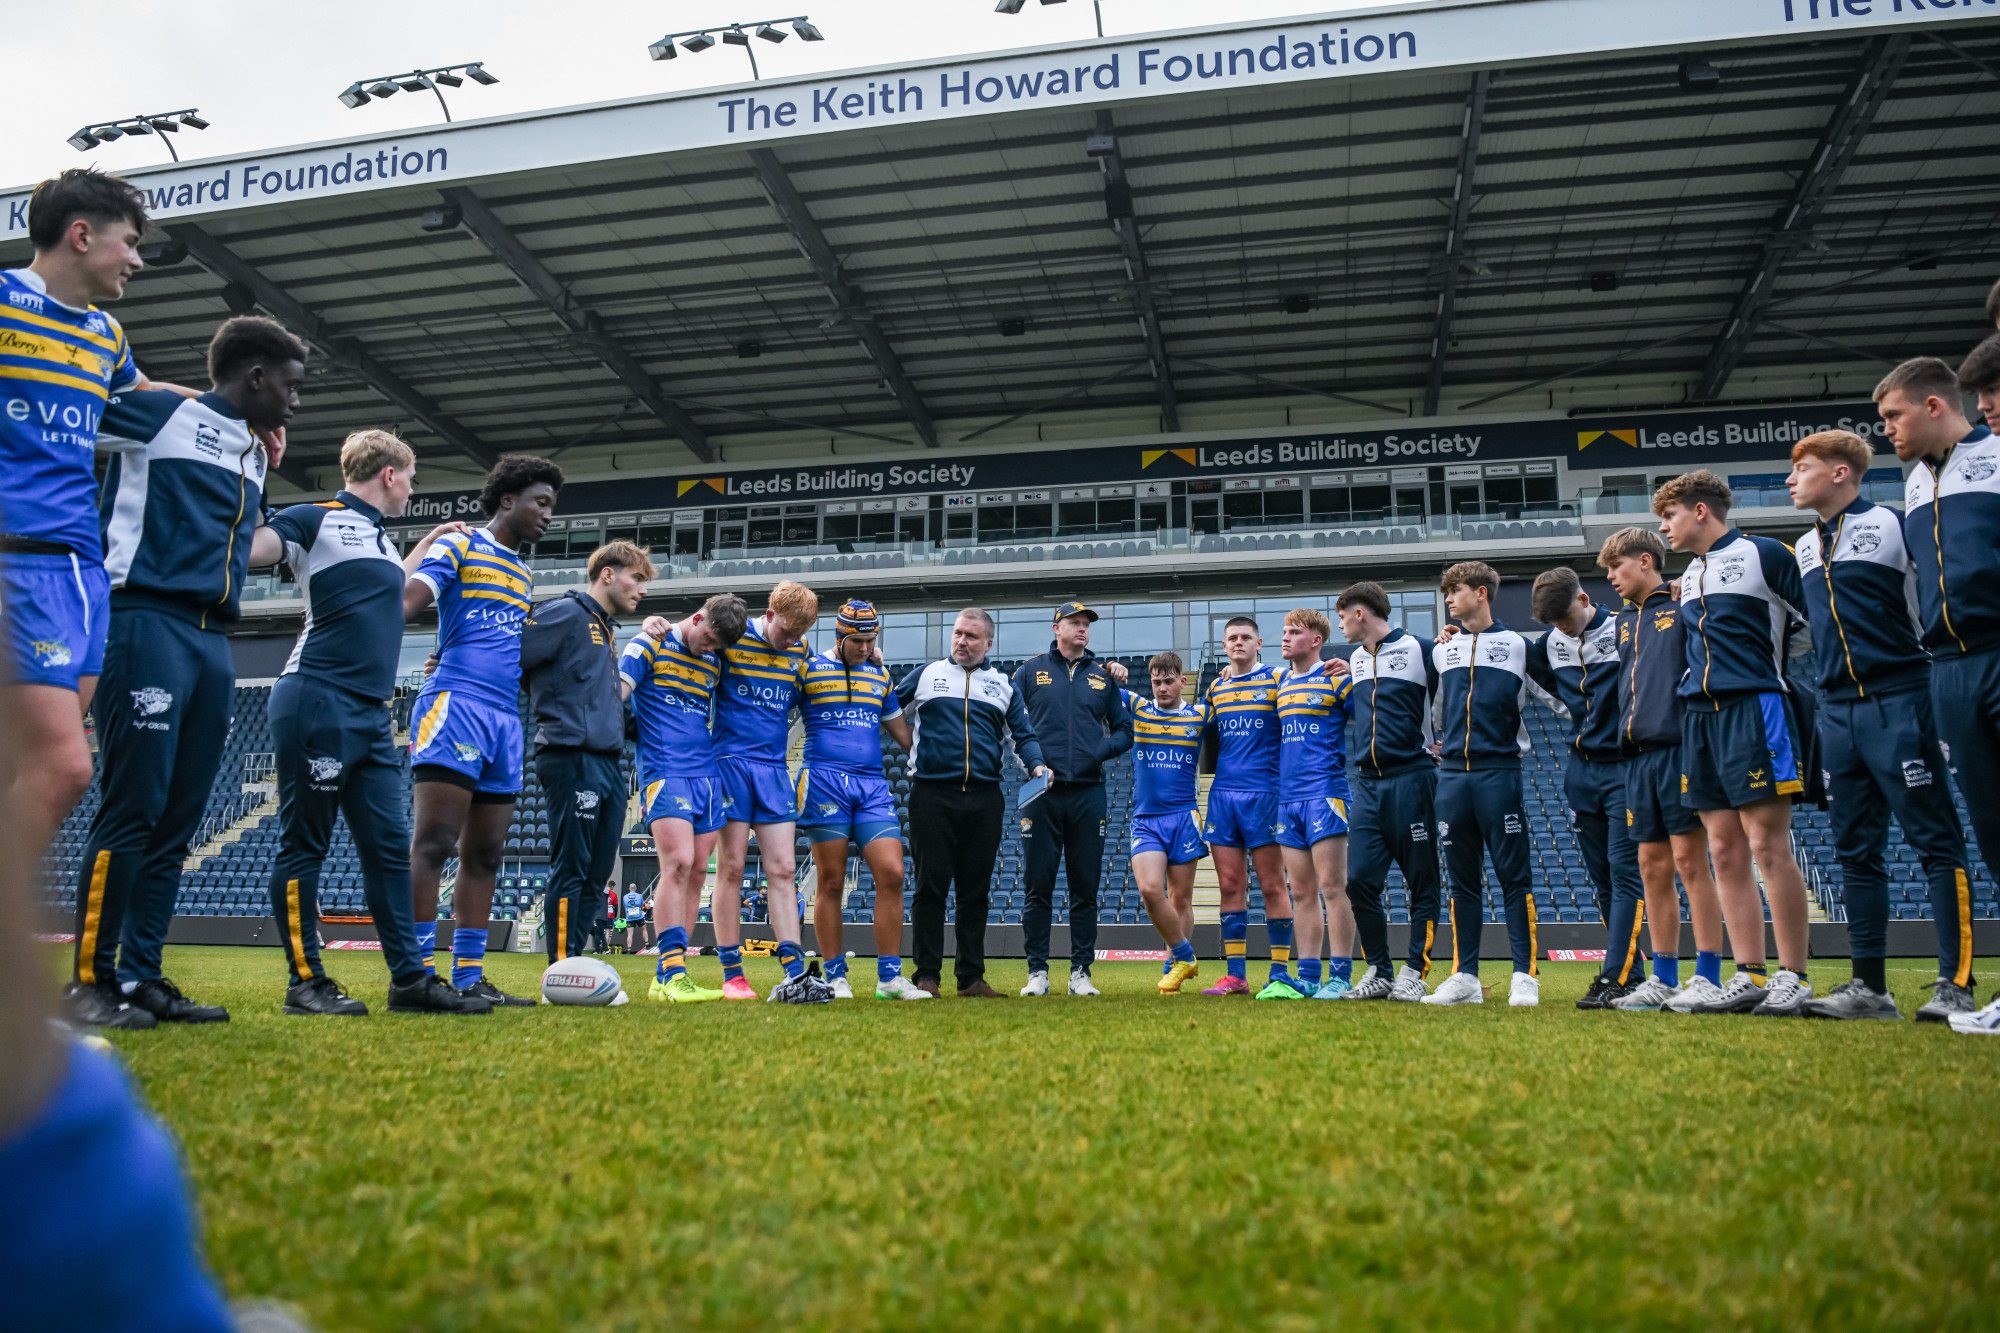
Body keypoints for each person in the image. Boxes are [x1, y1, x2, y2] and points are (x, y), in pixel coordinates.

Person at [65, 316, 305, 1028]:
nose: (296, 403)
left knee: (177, 818)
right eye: (290, 388)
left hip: (212, 641)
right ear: (255, 376)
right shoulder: (166, 415)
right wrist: (164, 387)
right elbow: (70, 412)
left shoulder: (257, 454)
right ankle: (89, 981)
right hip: (145, 621)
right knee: (132, 807)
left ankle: (141, 976)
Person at [1, 171, 195, 925]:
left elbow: (141, 394)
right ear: (82, 235)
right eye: (131, 242)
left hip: (81, 574)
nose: (136, 261)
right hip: (15, 560)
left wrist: (238, 412)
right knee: (63, 766)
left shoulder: (104, 336)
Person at [261, 429, 488, 1016]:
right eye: (411, 478)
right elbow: (261, 546)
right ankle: (304, 981)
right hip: (316, 697)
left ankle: (410, 981)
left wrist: (431, 540)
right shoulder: (314, 518)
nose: (413, 489)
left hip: (369, 714)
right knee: (304, 842)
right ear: (390, 474)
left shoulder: (383, 544)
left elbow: (389, 588)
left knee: (390, 849)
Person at [1781, 429, 1975, 1021]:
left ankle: (1957, 983)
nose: (1791, 479)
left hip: (1902, 696)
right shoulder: (1803, 547)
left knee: (1935, 841)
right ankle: (1869, 987)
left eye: (1802, 468)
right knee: (1854, 852)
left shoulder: (1895, 524)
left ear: (1841, 472)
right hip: (1837, 711)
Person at [1655, 469, 1815, 1015]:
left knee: (1767, 844)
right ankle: (1748, 973)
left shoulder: (1766, 554)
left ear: (1701, 511)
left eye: (1670, 515)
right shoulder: (1690, 577)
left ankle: (1794, 973)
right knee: (1723, 849)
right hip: (1699, 718)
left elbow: (1816, 617)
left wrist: (1772, 666)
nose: (1664, 527)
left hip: (1754, 708)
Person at [405, 454, 563, 1007]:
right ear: (506, 500)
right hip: (456, 704)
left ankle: (469, 977)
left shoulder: (523, 573)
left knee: (488, 853)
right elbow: (404, 604)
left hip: (503, 720)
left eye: (551, 506)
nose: (548, 515)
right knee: (433, 845)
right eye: (540, 503)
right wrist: (424, 544)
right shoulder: (461, 545)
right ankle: (417, 976)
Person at [1593, 529, 1730, 1014]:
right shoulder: (1622, 621)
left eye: (1617, 568)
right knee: (1651, 868)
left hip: (1678, 750)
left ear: (1647, 561)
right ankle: (1664, 977)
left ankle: (1709, 975)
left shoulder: (1681, 605)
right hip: (1635, 757)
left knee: (1691, 864)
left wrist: (1681, 590)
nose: (1611, 578)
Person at [893, 608, 1048, 998]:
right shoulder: (927, 675)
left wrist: (1036, 764)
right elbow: (887, 706)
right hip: (931, 795)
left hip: (984, 798)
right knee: (930, 888)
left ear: (988, 644)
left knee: (975, 892)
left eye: (971, 637)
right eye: (958, 634)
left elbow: (1023, 736)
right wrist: (912, 747)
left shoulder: (1003, 686)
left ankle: (971, 979)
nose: (962, 641)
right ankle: (926, 975)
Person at [1424, 561, 1553, 1008]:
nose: (1448, 599)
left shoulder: (1518, 645)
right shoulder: (1444, 651)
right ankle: (1465, 977)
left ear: (1481, 593)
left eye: (1454, 591)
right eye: (1445, 593)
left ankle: (1525, 975)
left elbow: (1561, 697)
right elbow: (1433, 710)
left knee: (1514, 878)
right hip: (1453, 777)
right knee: (1461, 883)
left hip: (1500, 773)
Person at [1523, 567, 1649, 1009]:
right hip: (1581, 770)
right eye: (1552, 624)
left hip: (1625, 768)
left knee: (1624, 872)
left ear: (1583, 599)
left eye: (1565, 619)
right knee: (1601, 880)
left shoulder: (1624, 629)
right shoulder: (1549, 644)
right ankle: (1631, 978)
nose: (1561, 629)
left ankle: (1615, 975)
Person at [521, 540, 650, 966]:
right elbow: (509, 653)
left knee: (596, 875)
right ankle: (559, 966)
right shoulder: (565, 612)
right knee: (572, 867)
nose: (643, 590)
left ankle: (575, 961)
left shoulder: (605, 628)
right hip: (571, 755)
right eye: (637, 578)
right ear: (608, 574)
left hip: (609, 763)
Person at [620, 593, 749, 1003]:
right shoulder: (649, 644)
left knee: (697, 872)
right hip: (664, 769)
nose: (710, 649)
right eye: (708, 639)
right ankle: (671, 970)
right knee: (676, 863)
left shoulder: (715, 659)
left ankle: (670, 975)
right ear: (697, 618)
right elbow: (614, 696)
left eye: (717, 646)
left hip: (708, 777)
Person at [705, 580, 828, 1002]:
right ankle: (732, 973)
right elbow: (690, 637)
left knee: (784, 870)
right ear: (769, 614)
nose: (792, 641)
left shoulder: (801, 649)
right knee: (732, 868)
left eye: (800, 634)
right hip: (731, 766)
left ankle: (795, 971)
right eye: (787, 632)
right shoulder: (733, 639)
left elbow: (821, 677)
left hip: (774, 771)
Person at [799, 600, 927, 999]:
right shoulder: (810, 669)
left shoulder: (880, 675)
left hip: (872, 786)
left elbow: (905, 737)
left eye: (872, 640)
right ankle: (835, 975)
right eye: (858, 641)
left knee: (892, 873)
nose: (866, 648)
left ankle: (889, 978)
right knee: (831, 880)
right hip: (825, 782)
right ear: (839, 636)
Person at [1013, 601, 1134, 998]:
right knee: (1038, 886)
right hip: (1041, 794)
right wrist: (1033, 764)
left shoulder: (1103, 677)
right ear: (1056, 628)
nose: (1082, 629)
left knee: (1085, 886)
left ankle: (1080, 971)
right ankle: (1037, 972)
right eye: (1074, 623)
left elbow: (1124, 731)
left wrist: (1097, 752)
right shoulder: (1029, 672)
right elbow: (1012, 725)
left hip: (1088, 793)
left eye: (1086, 624)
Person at [1336, 582, 1443, 1002]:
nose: (1339, 624)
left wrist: (1447, 739)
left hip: (1413, 778)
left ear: (1360, 613)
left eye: (1342, 616)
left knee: (1422, 880)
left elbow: (1458, 688)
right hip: (1367, 784)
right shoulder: (1357, 658)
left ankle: (1415, 969)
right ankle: (1379, 969)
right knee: (1359, 879)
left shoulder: (1422, 649)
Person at [1199, 616, 1297, 998]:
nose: (1238, 643)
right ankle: (1235, 975)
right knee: (1229, 886)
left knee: (1273, 886)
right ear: (1224, 647)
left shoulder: (1277, 678)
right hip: (1223, 796)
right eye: (1232, 638)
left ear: (1259, 643)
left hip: (1266, 795)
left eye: (1245, 637)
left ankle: (1279, 973)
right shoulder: (1217, 687)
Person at [1273, 608, 1358, 1000]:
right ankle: (1308, 977)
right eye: (1285, 631)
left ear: (1317, 640)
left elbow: (1375, 717)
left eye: (1295, 632)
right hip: (1287, 800)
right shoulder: (1281, 684)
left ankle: (1340, 974)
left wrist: (1356, 675)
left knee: (1331, 887)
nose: (1286, 637)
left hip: (1325, 795)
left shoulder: (1338, 681)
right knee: (1301, 892)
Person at [1121, 651, 1209, 993]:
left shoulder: (1200, 714)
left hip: (1184, 817)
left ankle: (1174, 966)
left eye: (1168, 681)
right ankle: (1185, 955)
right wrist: (1109, 669)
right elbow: (1094, 684)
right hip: (1146, 819)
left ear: (1182, 682)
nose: (1161, 688)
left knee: (1181, 899)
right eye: (1156, 682)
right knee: (1148, 890)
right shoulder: (1139, 709)